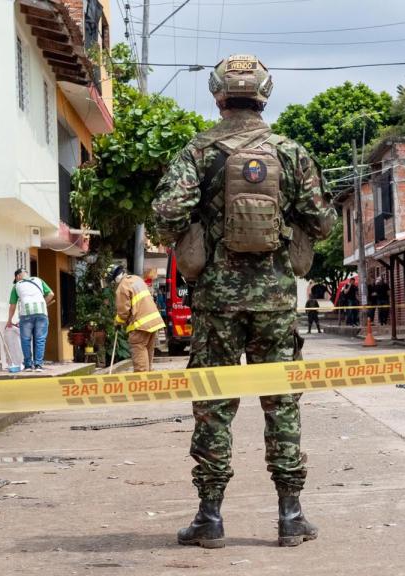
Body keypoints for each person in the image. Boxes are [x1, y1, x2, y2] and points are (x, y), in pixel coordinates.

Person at [153, 53, 335, 549]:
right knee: (282, 407)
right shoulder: (291, 152)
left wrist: (196, 241)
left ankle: (210, 520)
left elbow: (166, 214)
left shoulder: (197, 152)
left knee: (214, 406)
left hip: (216, 303)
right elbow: (323, 223)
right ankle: (291, 515)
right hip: (276, 301)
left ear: (217, 95)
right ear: (265, 94)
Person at [108, 264, 164, 372]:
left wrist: (117, 322)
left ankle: (142, 382)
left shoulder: (122, 286)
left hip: (140, 325)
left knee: (138, 349)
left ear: (115, 277)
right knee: (147, 352)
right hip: (153, 322)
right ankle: (148, 380)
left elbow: (123, 311)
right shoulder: (137, 279)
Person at [6, 268, 55, 372]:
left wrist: (9, 320)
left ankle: (28, 365)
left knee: (26, 339)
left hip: (26, 314)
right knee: (40, 339)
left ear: (18, 277)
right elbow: (51, 294)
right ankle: (38, 365)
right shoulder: (38, 280)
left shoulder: (17, 285)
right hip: (41, 313)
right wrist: (43, 304)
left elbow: (13, 305)